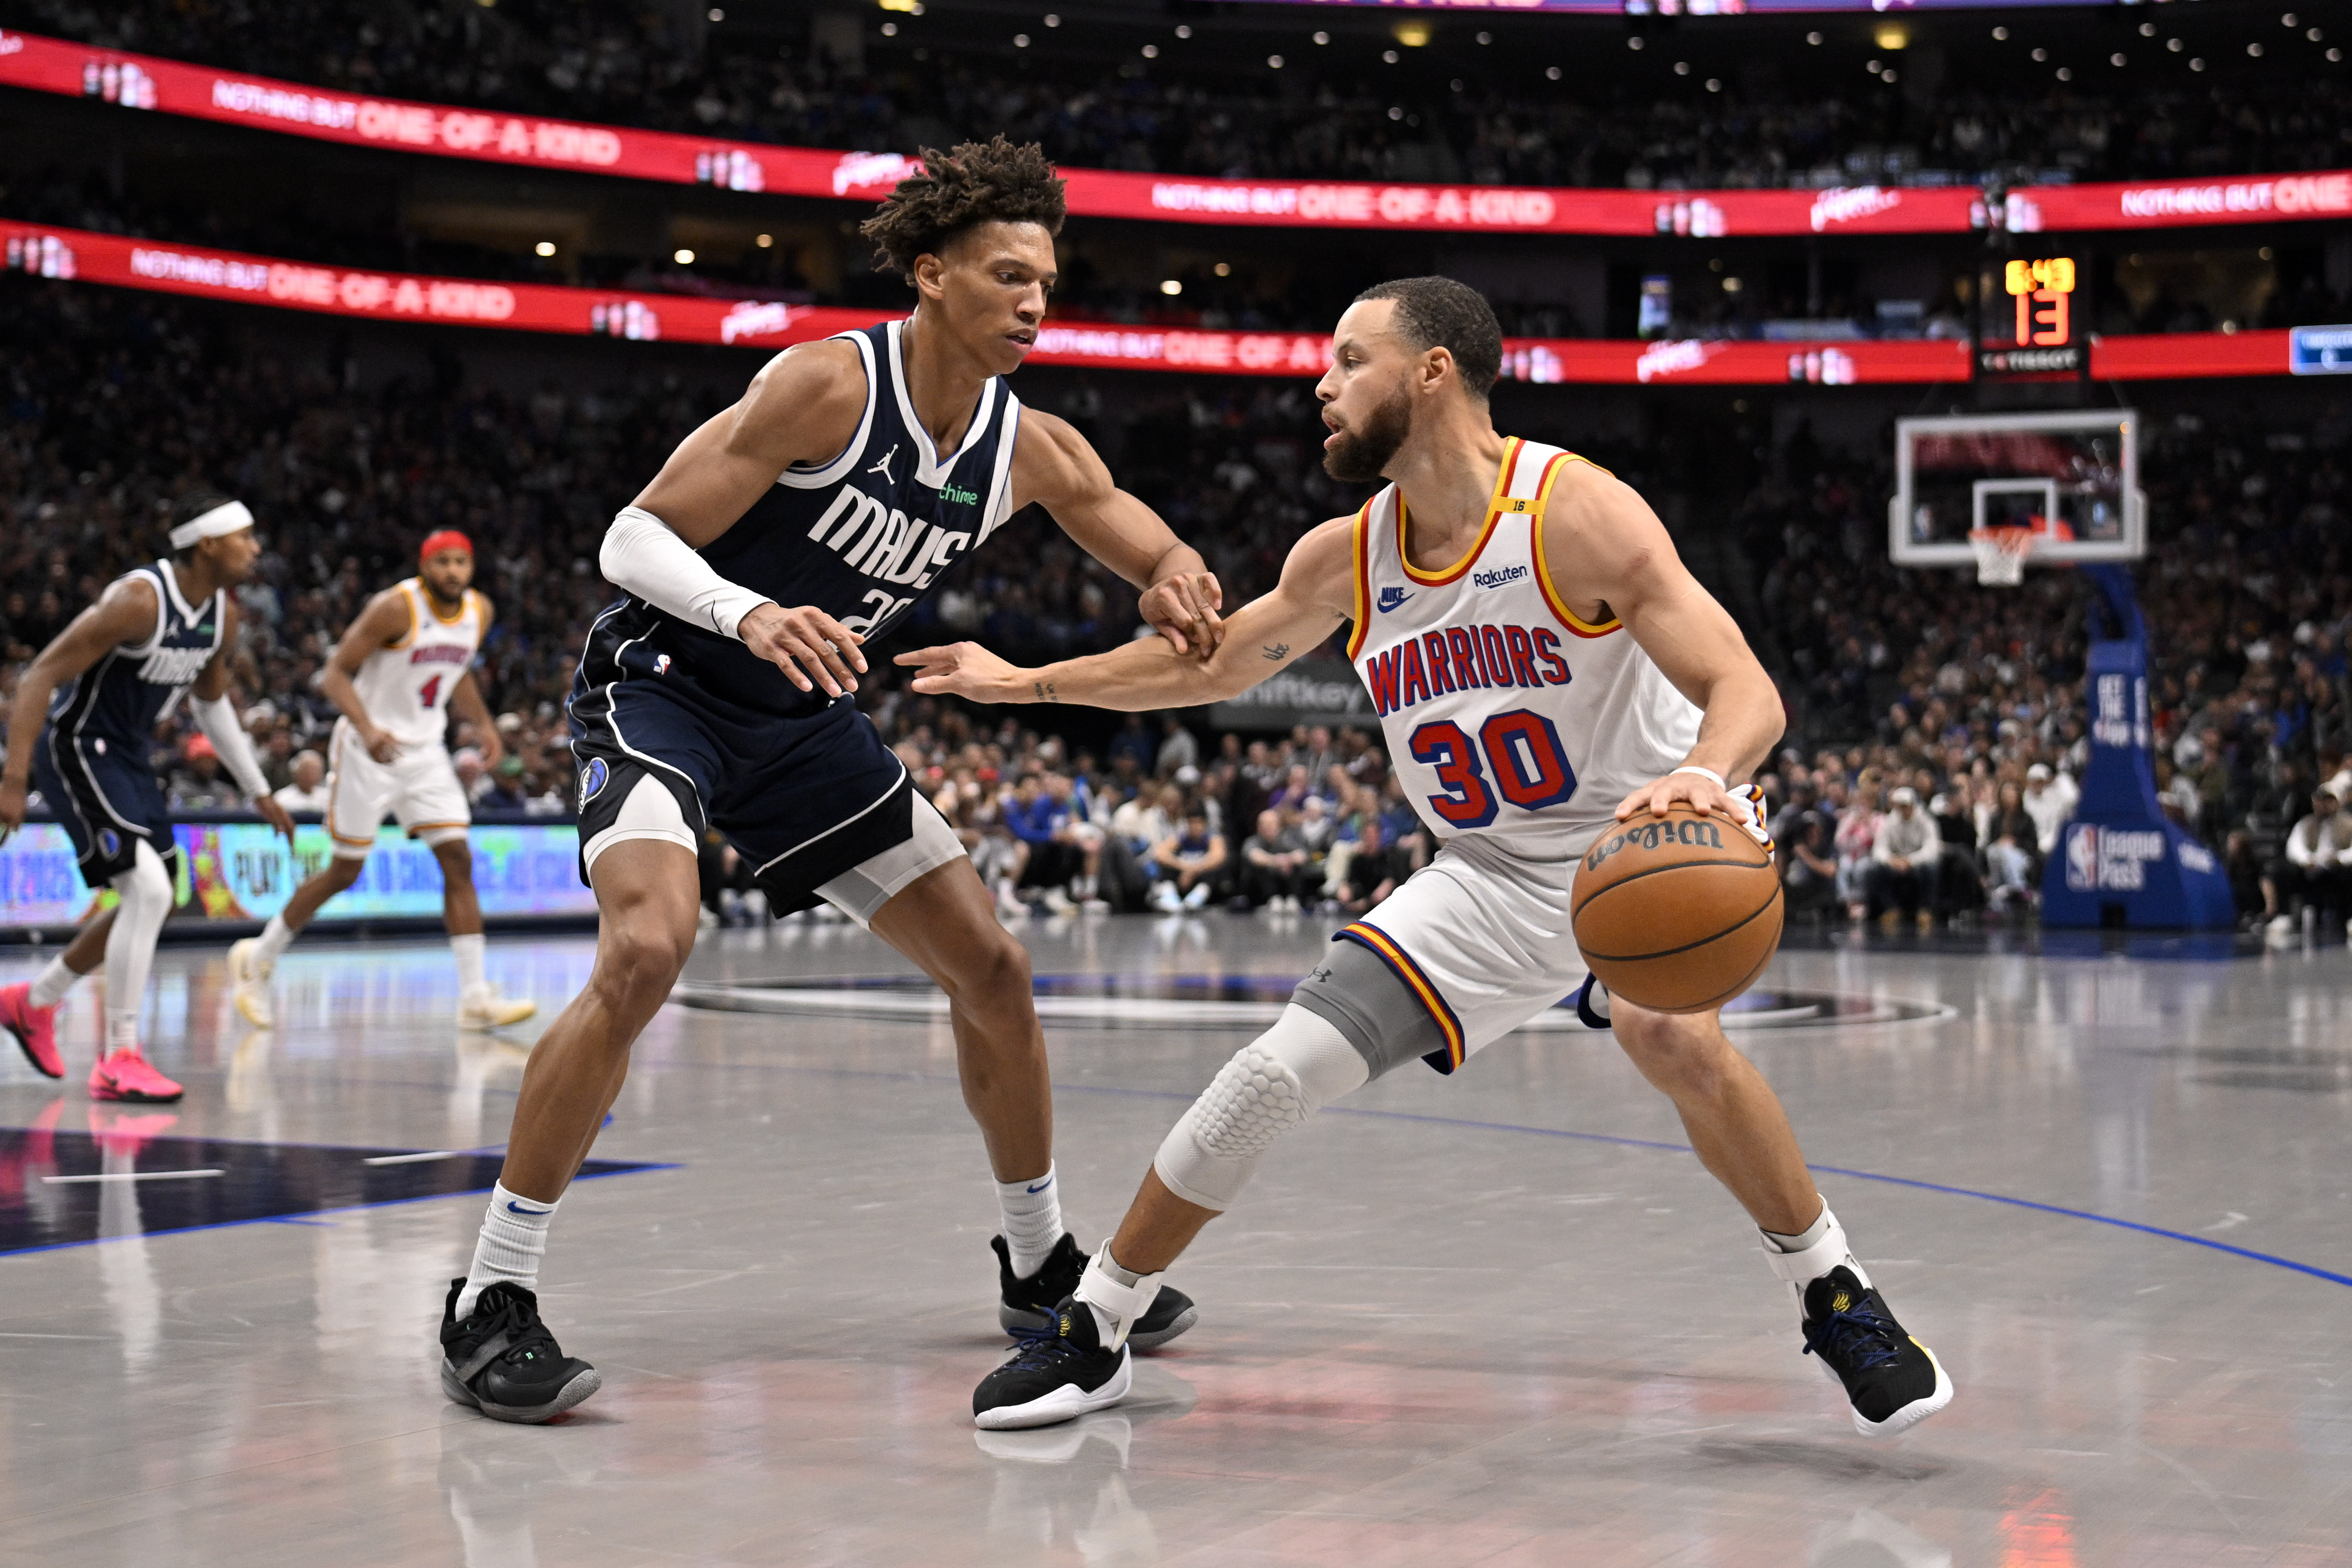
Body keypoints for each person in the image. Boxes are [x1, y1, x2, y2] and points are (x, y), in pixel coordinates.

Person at [903, 275, 1951, 1439]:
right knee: (1269, 1071)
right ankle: (1095, 1328)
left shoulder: (1569, 511)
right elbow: (1211, 667)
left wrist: (1702, 777)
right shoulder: (1348, 554)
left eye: (1347, 359)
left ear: (1431, 371)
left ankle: (1832, 1289)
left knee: (1668, 1033)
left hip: (1638, 841)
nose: (1320, 382)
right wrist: (1023, 680)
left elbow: (1743, 686)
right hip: (1489, 872)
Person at [435, 139, 1215, 1424]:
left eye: (1047, 282)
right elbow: (629, 535)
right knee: (647, 949)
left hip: (800, 726)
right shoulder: (824, 387)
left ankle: (1036, 1263)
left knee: (995, 967)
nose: (1033, 301)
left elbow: (1124, 517)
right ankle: (492, 1290)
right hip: (666, 690)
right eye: (1006, 274)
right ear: (928, 273)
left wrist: (1176, 567)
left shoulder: (1023, 444)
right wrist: (746, 613)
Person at [0, 492, 296, 1101]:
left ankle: (35, 1002)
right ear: (209, 544)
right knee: (150, 889)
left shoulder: (223, 615)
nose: (256, 548)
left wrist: (259, 788)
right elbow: (40, 675)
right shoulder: (138, 600)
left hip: (129, 755)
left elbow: (211, 705)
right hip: (78, 744)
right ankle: (118, 1055)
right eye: (245, 536)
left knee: (152, 897)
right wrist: (13, 777)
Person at [224, 532, 536, 1031]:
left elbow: (455, 673)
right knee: (345, 871)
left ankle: (476, 996)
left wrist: (483, 724)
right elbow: (334, 675)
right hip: (368, 750)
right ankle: (257, 959)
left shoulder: (480, 611)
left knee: (457, 857)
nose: (453, 572)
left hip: (426, 752)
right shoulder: (395, 607)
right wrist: (368, 730)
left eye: (462, 563)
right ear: (425, 565)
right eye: (443, 563)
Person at [1865, 787, 1939, 928]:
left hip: (1917, 864)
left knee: (1931, 868)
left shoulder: (1926, 821)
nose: (1903, 810)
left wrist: (1910, 861)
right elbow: (1879, 849)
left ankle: (1926, 910)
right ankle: (1891, 909)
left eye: (1906, 806)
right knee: (1874, 869)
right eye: (1900, 806)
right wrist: (1891, 860)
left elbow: (1931, 851)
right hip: (1896, 864)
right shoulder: (1890, 822)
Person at [1147, 808, 1227, 912]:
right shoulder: (1182, 838)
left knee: (1213, 873)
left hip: (1200, 880)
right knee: (1166, 871)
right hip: (1181, 878)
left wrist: (1193, 871)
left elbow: (1218, 857)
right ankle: (1170, 900)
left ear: (1205, 824)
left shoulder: (1212, 839)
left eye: (1199, 823)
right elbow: (1160, 854)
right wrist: (1184, 867)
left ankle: (1195, 900)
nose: (1196, 827)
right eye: (1192, 823)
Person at [1238, 808, 1312, 910]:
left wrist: (1288, 860)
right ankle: (1272, 898)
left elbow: (1302, 855)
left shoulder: (1287, 839)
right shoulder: (1253, 841)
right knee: (1259, 867)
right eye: (1262, 824)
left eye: (1270, 824)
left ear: (1279, 826)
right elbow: (1254, 856)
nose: (1265, 827)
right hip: (1259, 891)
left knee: (1298, 867)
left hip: (1285, 882)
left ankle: (1293, 899)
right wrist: (1276, 861)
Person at [274, 749, 330, 814]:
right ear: (295, 772)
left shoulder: (328, 798)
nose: (311, 775)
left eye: (315, 770)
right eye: (307, 770)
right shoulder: (282, 799)